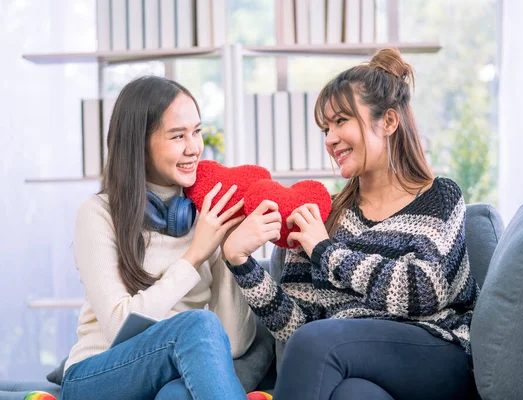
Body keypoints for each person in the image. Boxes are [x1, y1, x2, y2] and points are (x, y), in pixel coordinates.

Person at [222, 48, 479, 399]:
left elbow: (424, 290)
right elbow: (301, 326)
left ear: (388, 121)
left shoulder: (439, 197)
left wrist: (325, 252)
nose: (329, 139)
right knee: (352, 394)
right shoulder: (324, 216)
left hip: (435, 352)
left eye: (341, 121)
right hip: (352, 361)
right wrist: (242, 264)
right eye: (326, 128)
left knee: (319, 344)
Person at [61, 76, 267, 400]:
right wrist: (194, 256)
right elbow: (118, 328)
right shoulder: (97, 214)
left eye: (197, 131)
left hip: (170, 369)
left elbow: (235, 342)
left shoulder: (206, 215)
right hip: (97, 374)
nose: (194, 148)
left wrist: (230, 254)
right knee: (196, 324)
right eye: (177, 136)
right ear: (139, 143)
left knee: (179, 395)